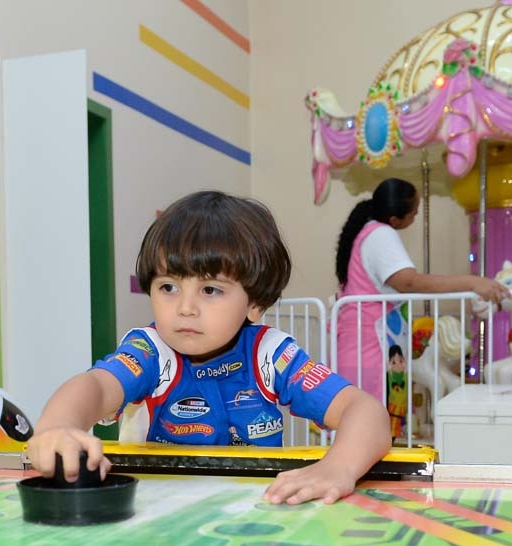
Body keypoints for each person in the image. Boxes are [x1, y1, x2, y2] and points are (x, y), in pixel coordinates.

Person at [26, 190, 392, 506]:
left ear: (255, 304)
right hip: (161, 521)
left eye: (210, 290)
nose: (185, 308)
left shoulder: (270, 354)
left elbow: (365, 411)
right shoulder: (151, 352)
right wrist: (58, 426)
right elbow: (95, 386)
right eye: (168, 287)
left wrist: (338, 467)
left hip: (253, 516)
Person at [334, 178, 510, 402]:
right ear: (395, 219)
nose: (416, 217)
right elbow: (408, 282)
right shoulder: (380, 234)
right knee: (370, 415)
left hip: (360, 343)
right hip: (371, 347)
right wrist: (472, 282)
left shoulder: (364, 232)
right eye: (414, 213)